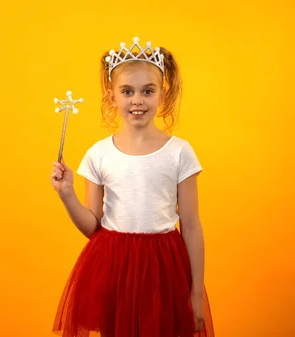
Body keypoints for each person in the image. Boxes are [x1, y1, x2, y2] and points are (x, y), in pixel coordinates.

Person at [50, 37, 215, 337]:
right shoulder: (99, 154)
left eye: (147, 91)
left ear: (161, 96)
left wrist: (194, 295)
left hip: (163, 268)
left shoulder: (180, 152)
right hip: (114, 268)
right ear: (111, 96)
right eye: (127, 91)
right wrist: (67, 194)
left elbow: (191, 226)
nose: (137, 100)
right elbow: (92, 226)